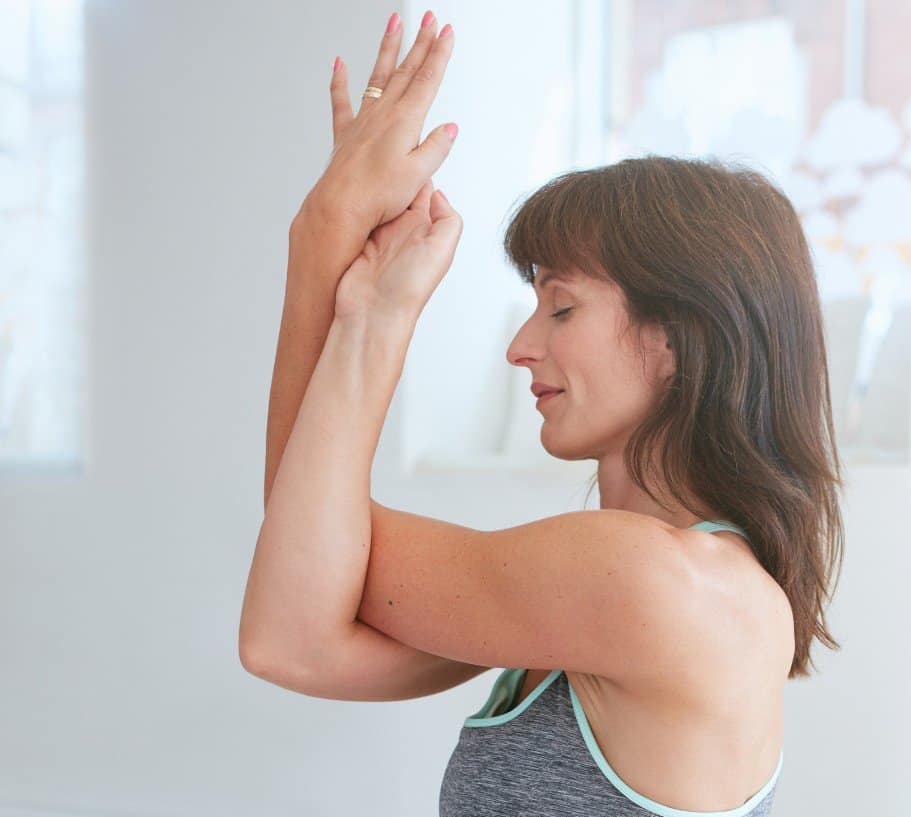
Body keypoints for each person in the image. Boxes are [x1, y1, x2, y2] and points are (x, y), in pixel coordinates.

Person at [239, 10, 845, 817]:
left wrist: (329, 243)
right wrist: (333, 253)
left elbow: (290, 609)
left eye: (561, 308)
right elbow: (305, 604)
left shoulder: (645, 582)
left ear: (678, 340)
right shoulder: (606, 596)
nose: (521, 345)